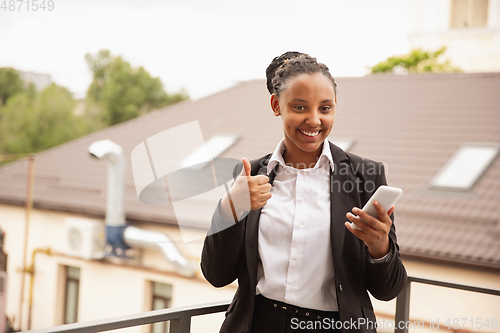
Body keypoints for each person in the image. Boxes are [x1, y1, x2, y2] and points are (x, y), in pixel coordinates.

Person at [201, 52, 407, 333]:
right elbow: (216, 274)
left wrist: (379, 247)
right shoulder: (250, 177)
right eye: (299, 107)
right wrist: (228, 210)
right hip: (258, 324)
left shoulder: (366, 177)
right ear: (277, 105)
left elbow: (389, 289)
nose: (314, 120)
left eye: (325, 108)